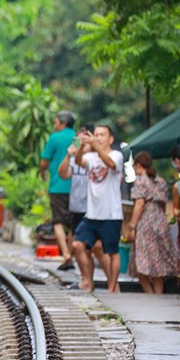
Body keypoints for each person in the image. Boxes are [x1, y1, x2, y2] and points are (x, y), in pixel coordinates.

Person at [72, 125, 124, 293]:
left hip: (111, 214)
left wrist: (95, 147)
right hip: (92, 215)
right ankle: (88, 281)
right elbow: (79, 161)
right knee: (78, 245)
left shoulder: (116, 155)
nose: (99, 138)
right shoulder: (91, 157)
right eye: (96, 135)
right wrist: (81, 147)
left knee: (112, 252)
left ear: (110, 139)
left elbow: (109, 163)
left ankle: (112, 289)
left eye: (102, 135)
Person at [57, 125, 108, 272]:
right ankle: (86, 279)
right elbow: (63, 174)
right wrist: (68, 155)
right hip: (77, 207)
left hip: (93, 209)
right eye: (79, 141)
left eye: (84, 140)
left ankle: (110, 282)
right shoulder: (75, 160)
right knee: (80, 245)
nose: (82, 144)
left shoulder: (97, 159)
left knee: (94, 247)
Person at [126, 152, 178, 294]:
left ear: (138, 165)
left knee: (141, 262)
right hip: (160, 221)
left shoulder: (140, 180)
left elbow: (139, 204)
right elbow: (164, 204)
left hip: (145, 222)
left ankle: (150, 296)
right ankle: (158, 295)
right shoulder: (160, 181)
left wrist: (131, 226)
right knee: (157, 263)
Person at [40, 110, 76, 271]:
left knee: (58, 221)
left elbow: (44, 162)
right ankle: (72, 256)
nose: (54, 125)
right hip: (76, 186)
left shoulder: (55, 138)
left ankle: (66, 254)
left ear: (62, 123)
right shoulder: (77, 138)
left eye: (55, 122)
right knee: (73, 223)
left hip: (57, 185)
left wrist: (43, 174)